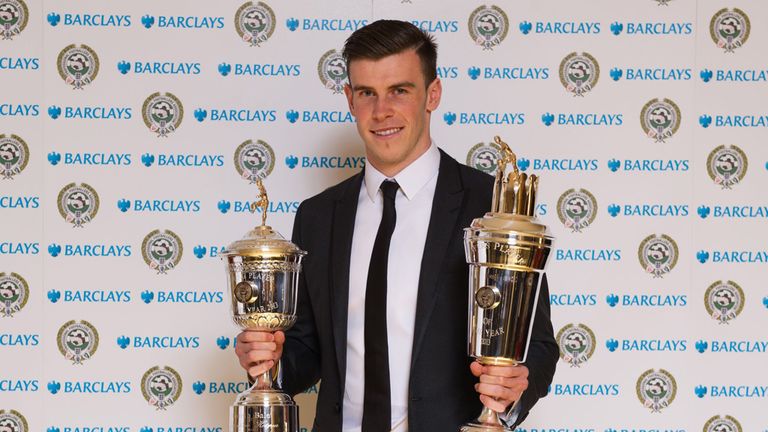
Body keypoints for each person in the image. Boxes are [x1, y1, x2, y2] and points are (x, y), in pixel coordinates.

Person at [235, 20, 558, 431]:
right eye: (367, 93)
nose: (381, 111)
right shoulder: (317, 216)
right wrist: (268, 363)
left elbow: (539, 345)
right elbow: (307, 350)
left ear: (432, 94)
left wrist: (513, 392)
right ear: (350, 99)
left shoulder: (489, 208)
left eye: (399, 91)